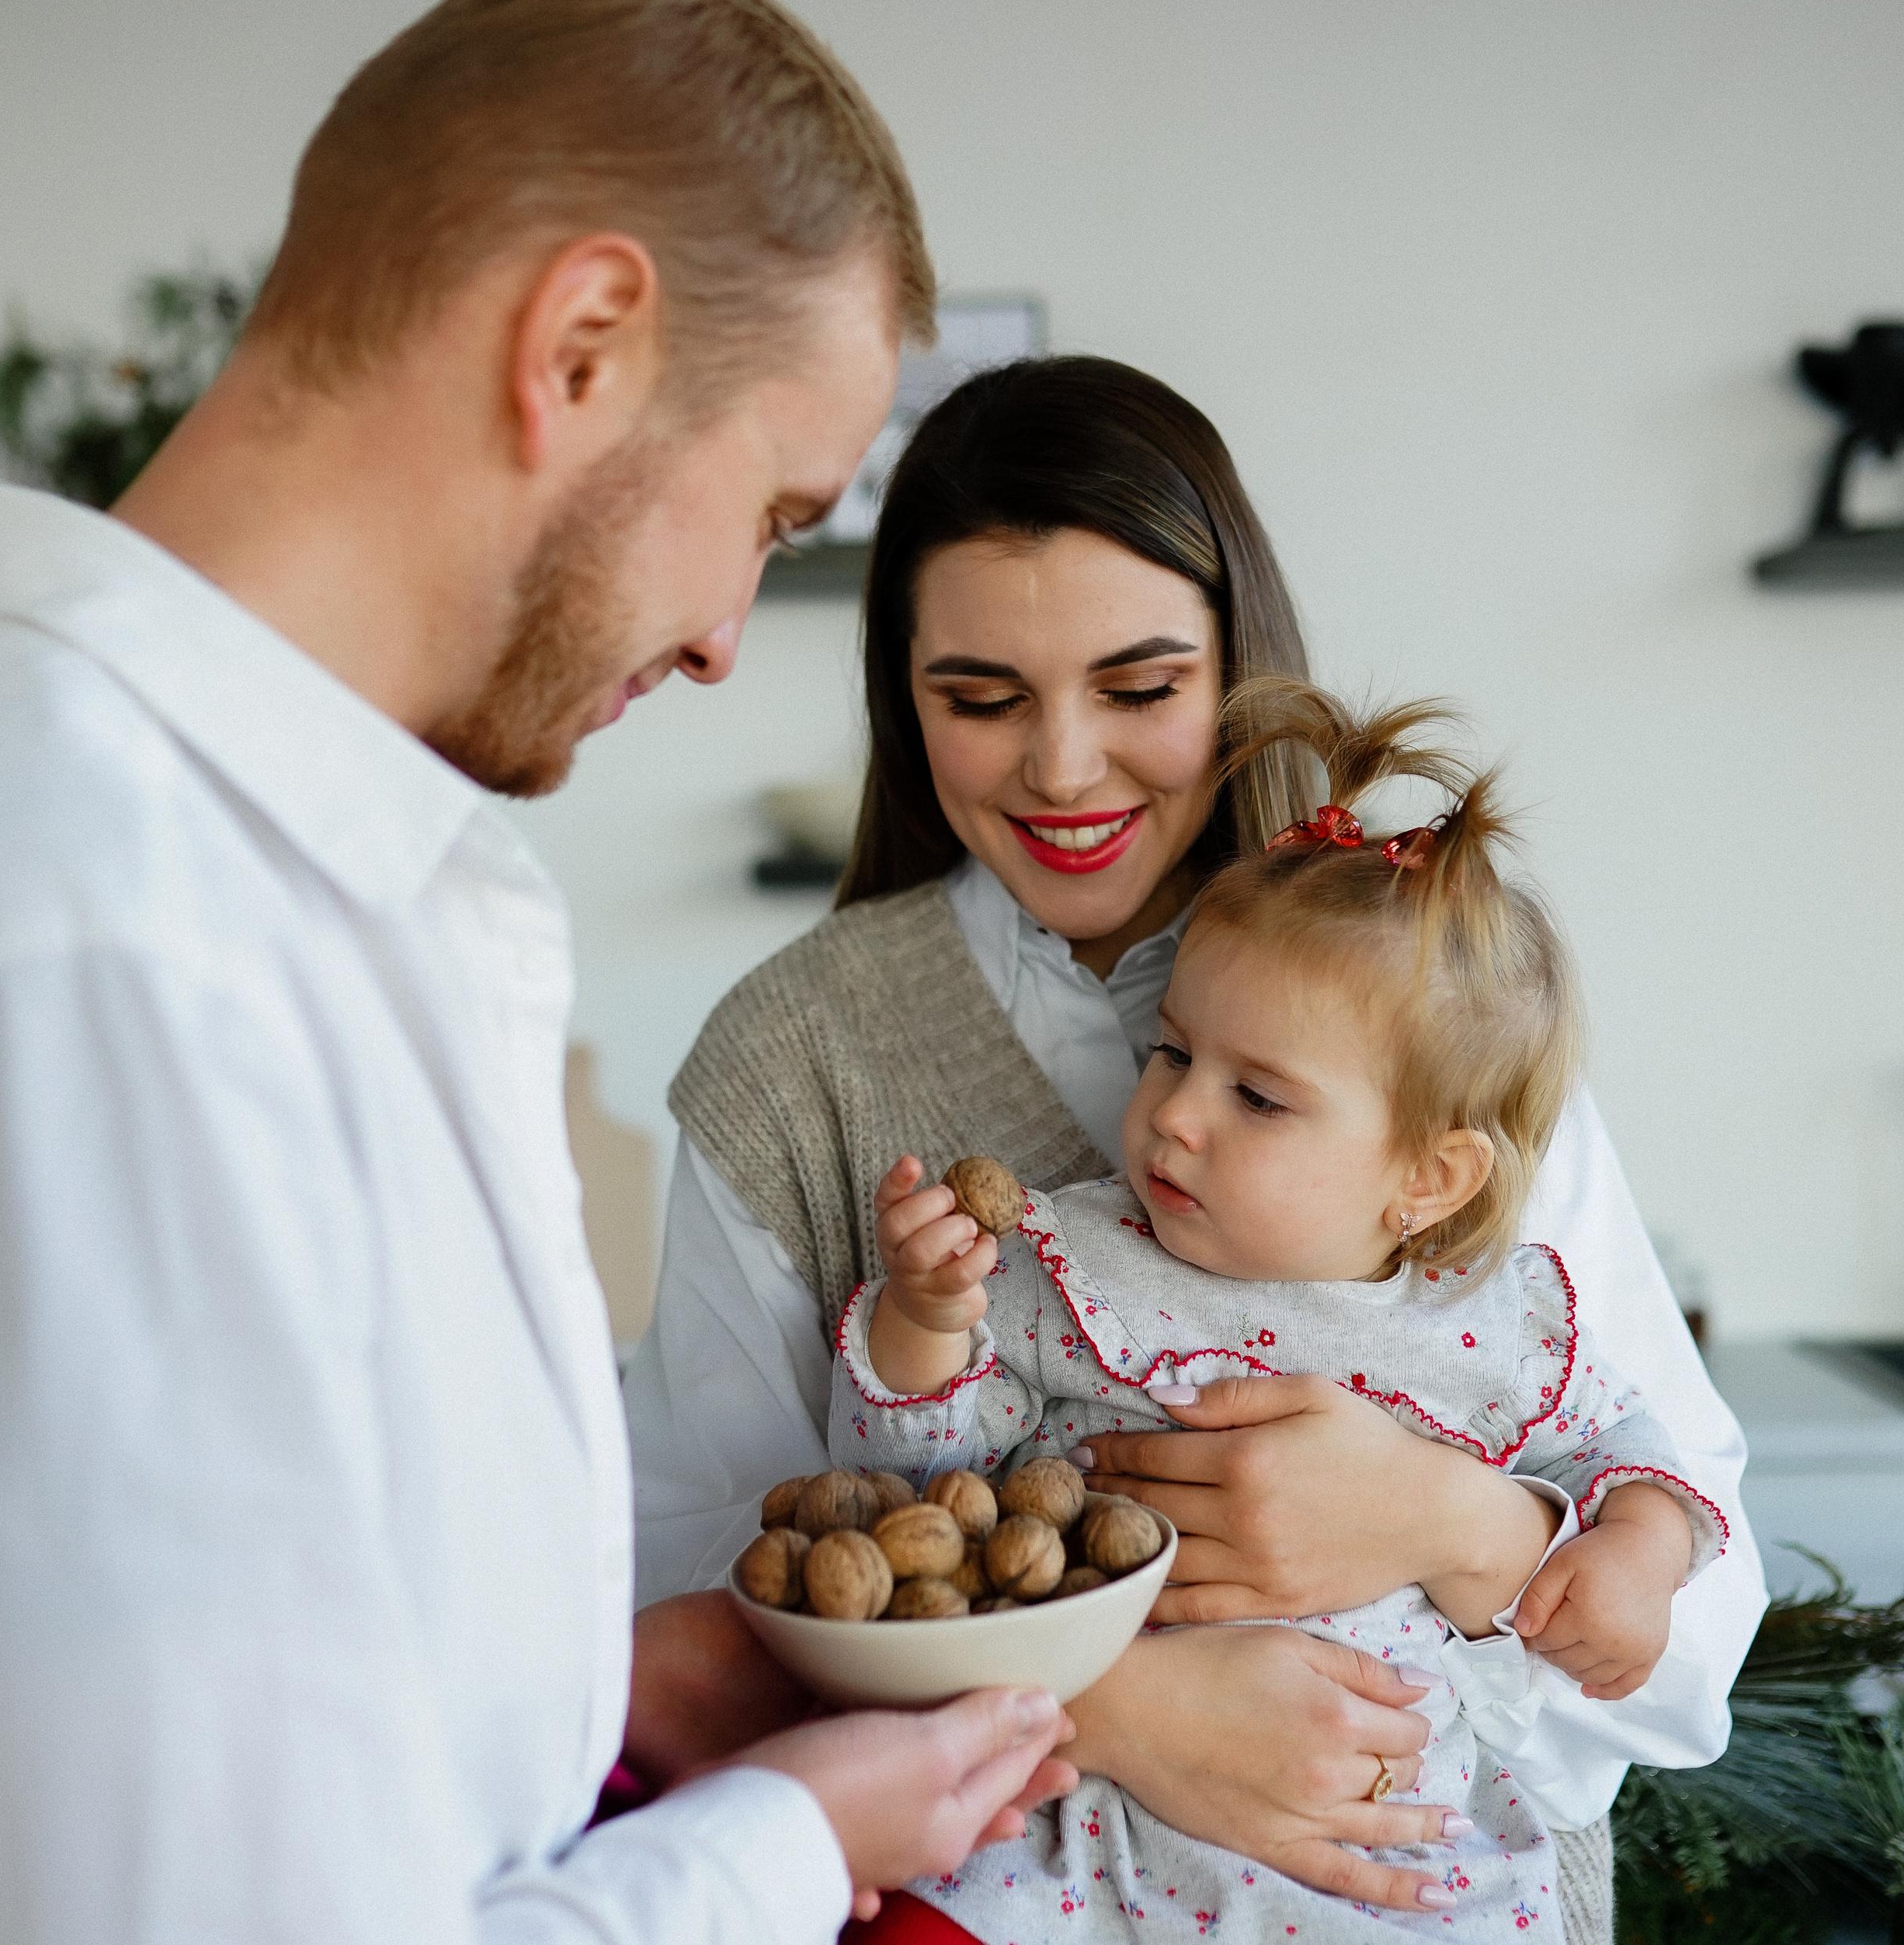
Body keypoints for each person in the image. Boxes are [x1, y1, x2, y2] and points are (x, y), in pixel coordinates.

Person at [0, 0, 1080, 1941]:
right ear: (581, 347)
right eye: (772, 514)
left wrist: (586, 1702)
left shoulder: (306, 874)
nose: (727, 637)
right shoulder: (105, 942)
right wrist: (785, 1847)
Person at [624, 356, 1768, 1935]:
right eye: (981, 699)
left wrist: (1455, 1528)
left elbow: (1684, 1653)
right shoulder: (791, 1066)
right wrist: (1101, 1708)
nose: (1063, 767)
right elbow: (687, 1617)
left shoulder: (1429, 1013)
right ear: (902, 695)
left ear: (1236, 666)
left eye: (1140, 688)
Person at [830, 679, 1729, 1942]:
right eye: (1172, 1052)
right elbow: (923, 1489)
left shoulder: (1489, 1322)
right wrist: (926, 1321)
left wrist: (1637, 1543)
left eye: (1257, 1096)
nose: (1175, 1114)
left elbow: (1632, 1452)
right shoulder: (1070, 1262)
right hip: (1078, 1832)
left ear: (1430, 1177)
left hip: (1367, 1846)